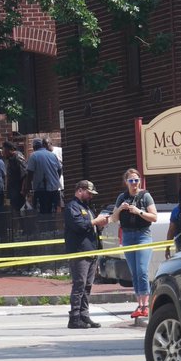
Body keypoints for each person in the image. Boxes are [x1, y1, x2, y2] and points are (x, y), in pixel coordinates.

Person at [64, 180, 110, 329]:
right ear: (80, 190)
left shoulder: (87, 208)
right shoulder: (72, 207)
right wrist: (95, 221)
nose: (90, 196)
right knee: (79, 285)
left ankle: (84, 315)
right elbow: (78, 226)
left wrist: (99, 225)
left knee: (87, 286)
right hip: (79, 252)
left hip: (91, 251)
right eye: (88, 193)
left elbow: (91, 227)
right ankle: (74, 317)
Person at [113, 167, 158, 319]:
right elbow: (113, 219)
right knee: (134, 272)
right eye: (131, 181)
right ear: (126, 182)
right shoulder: (122, 197)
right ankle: (139, 303)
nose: (134, 183)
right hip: (128, 236)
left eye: (136, 180)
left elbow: (154, 217)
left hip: (142, 235)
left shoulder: (145, 196)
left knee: (142, 270)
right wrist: (120, 209)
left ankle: (146, 305)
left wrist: (138, 211)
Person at [26, 137, 63, 215]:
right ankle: (53, 227)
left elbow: (29, 174)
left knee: (42, 215)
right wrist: (55, 180)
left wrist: (28, 188)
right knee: (53, 214)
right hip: (54, 190)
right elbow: (59, 170)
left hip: (41, 190)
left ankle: (46, 227)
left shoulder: (33, 156)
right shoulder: (53, 155)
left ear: (34, 147)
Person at [3, 141, 27, 213]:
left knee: (19, 212)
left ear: (8, 150)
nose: (3, 153)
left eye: (4, 150)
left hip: (18, 191)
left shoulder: (17, 156)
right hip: (12, 191)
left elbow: (26, 172)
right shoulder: (9, 159)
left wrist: (23, 189)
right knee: (12, 211)